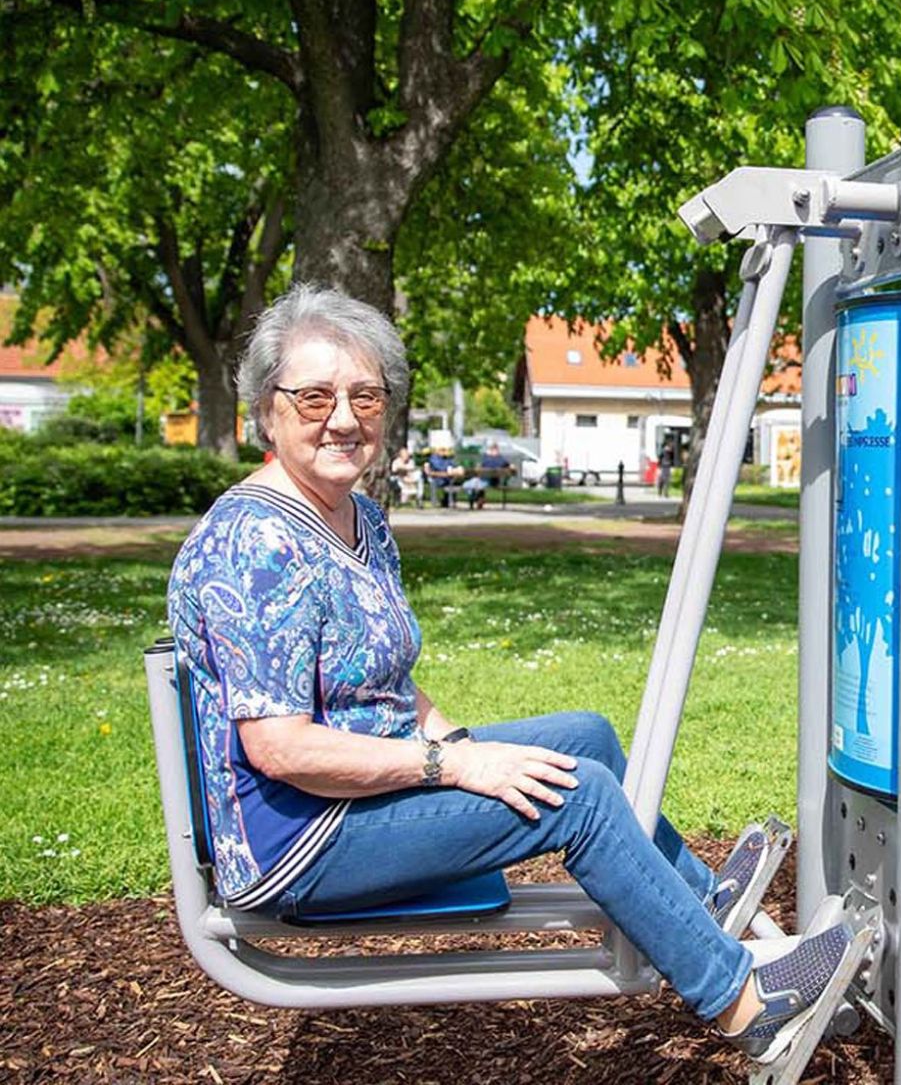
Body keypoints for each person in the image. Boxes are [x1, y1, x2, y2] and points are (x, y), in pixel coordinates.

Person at [165, 283, 858, 1064]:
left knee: (585, 739)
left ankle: (700, 901)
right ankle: (743, 1003)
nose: (344, 417)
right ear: (267, 408)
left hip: (368, 790)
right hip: (303, 840)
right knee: (582, 796)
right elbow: (281, 749)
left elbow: (385, 683)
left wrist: (462, 750)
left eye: (365, 395)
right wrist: (456, 763)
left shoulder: (357, 516)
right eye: (316, 395)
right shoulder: (254, 543)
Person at [471, 442, 512, 510]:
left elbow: (478, 467)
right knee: (479, 483)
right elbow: (510, 466)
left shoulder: (488, 458)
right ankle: (480, 499)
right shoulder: (500, 458)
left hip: (491, 481)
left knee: (478, 483)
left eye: (493, 449)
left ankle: (479, 499)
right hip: (493, 481)